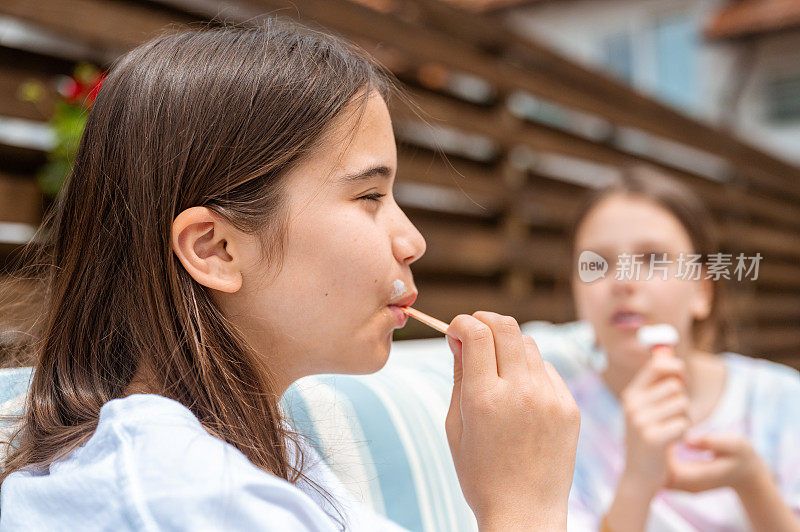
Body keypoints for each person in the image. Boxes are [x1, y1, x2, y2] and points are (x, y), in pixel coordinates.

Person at [0, 19, 580, 531]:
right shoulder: (175, 496)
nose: (413, 242)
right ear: (217, 249)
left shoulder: (252, 451)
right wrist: (522, 508)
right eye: (370, 194)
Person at [567, 165, 800, 531]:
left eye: (653, 259)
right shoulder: (559, 422)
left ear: (702, 292)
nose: (623, 281)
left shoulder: (780, 399)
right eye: (597, 263)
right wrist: (637, 482)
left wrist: (753, 485)